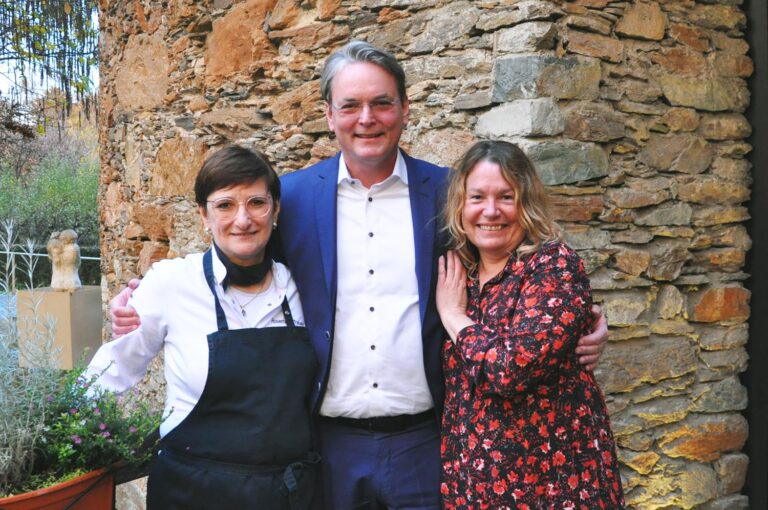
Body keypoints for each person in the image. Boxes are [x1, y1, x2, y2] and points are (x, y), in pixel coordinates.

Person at [110, 41, 609, 509]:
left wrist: (587, 323)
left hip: (429, 442)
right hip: (328, 446)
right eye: (350, 105)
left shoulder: (447, 195)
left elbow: (510, 269)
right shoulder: (296, 198)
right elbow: (239, 253)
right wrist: (142, 300)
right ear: (329, 114)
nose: (366, 119)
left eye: (381, 103)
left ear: (405, 109)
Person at [87, 145, 319, 510]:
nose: (242, 219)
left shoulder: (302, 285)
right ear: (203, 215)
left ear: (275, 210)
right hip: (192, 492)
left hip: (284, 494)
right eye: (225, 205)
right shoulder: (171, 282)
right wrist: (59, 440)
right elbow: (114, 369)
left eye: (256, 203)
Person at [435, 140, 624, 509]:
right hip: (476, 487)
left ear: (527, 203)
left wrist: (455, 319)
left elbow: (510, 370)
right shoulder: (461, 274)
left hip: (553, 485)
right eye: (477, 198)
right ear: (460, 205)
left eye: (506, 197)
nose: (490, 211)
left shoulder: (552, 266)